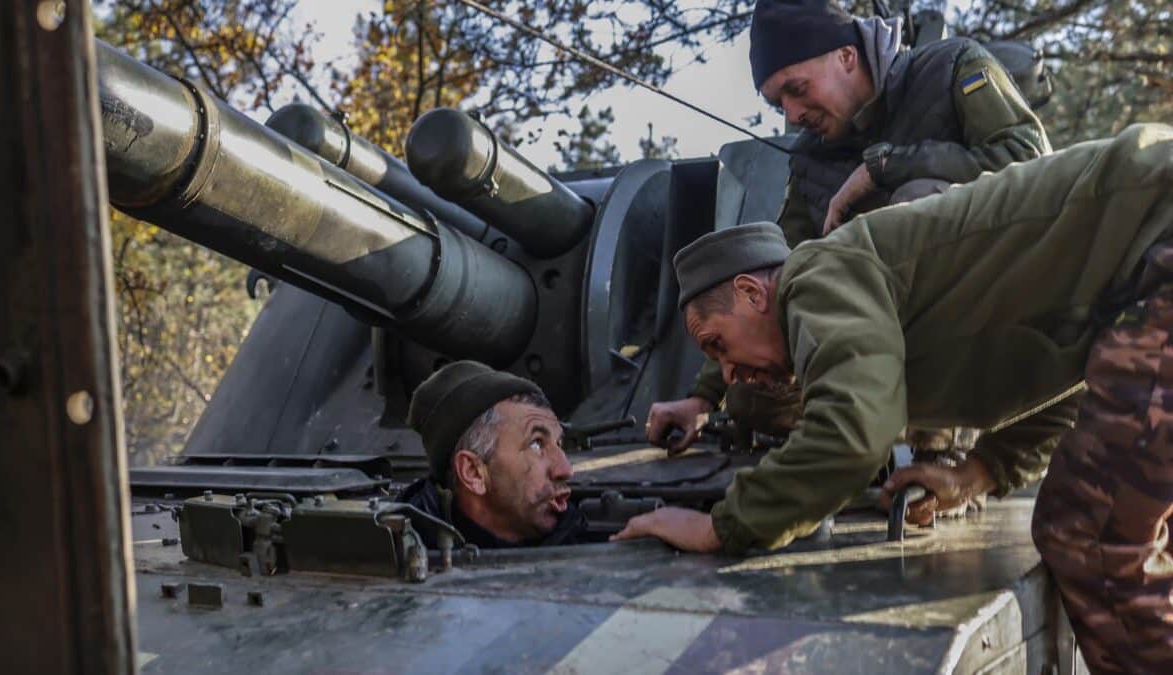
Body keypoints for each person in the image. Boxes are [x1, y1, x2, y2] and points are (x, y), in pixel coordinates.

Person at [615, 124, 1173, 673]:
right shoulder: (894, 319)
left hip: (1159, 227)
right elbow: (1082, 380)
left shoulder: (816, 272)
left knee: (1092, 534)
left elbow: (854, 434)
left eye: (717, 345)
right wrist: (981, 470)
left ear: (752, 292)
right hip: (1148, 264)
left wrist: (722, 526)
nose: (729, 373)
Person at [648, 0, 1050, 455]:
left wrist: (884, 168)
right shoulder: (812, 157)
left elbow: (1034, 165)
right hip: (885, 350)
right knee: (752, 399)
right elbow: (775, 275)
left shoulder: (953, 66)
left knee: (918, 200)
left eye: (797, 89)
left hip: (1002, 326)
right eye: (779, 101)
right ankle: (888, 426)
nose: (793, 112)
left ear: (846, 56)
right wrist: (703, 397)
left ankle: (949, 437)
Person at [400, 360, 586, 549]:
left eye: (559, 444)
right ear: (473, 472)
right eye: (536, 444)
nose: (565, 470)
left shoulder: (585, 534)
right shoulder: (399, 558)